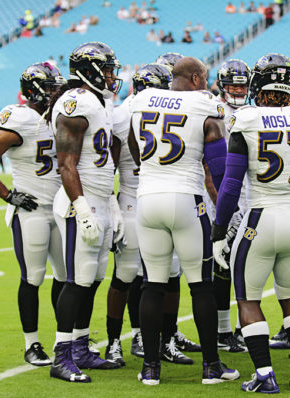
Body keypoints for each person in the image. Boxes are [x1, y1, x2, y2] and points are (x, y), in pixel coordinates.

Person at [212, 53, 290, 392]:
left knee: (248, 300)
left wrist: (219, 232)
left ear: (258, 87)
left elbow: (231, 185)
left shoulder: (246, 120)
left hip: (260, 218)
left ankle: (264, 375)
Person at [127, 57, 240, 386]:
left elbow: (135, 145)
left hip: (147, 198)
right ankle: (212, 366)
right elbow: (218, 167)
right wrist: (224, 209)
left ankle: (150, 368)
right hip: (186, 199)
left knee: (153, 284)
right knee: (200, 285)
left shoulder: (142, 99)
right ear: (195, 78)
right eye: (204, 78)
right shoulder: (206, 103)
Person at [0, 62, 67, 367]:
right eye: (52, 87)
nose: (57, 92)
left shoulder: (57, 117)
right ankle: (32, 343)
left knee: (66, 278)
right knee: (33, 277)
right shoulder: (21, 119)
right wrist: (7, 194)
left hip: (60, 209)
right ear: (37, 90)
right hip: (32, 211)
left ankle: (65, 341)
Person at [105, 62, 200, 367]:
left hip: (141, 198)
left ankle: (155, 339)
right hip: (141, 199)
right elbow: (110, 162)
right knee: (138, 275)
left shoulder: (124, 111)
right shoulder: (129, 114)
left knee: (150, 276)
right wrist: (111, 203)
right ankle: (120, 341)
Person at [46, 42, 125, 383]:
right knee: (75, 281)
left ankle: (79, 346)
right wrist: (82, 208)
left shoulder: (97, 101)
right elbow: (66, 164)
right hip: (81, 202)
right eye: (107, 69)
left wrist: (110, 204)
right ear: (90, 70)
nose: (111, 76)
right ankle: (61, 355)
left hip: (99, 199)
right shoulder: (75, 102)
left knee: (92, 281)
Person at [210, 59, 252, 353]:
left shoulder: (253, 112)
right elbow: (208, 164)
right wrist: (223, 206)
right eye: (233, 84)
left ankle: (242, 328)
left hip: (251, 196)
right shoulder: (214, 110)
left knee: (247, 267)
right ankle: (223, 329)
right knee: (221, 266)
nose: (238, 89)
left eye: (242, 84)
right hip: (225, 196)